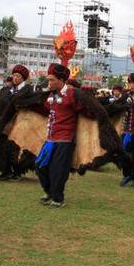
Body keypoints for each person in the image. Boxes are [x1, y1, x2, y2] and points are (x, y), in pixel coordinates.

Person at [36, 63, 93, 208]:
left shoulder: (72, 94)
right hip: (50, 138)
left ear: (61, 80)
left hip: (65, 139)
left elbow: (86, 110)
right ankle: (49, 191)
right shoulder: (50, 95)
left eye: (52, 80)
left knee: (58, 170)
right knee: (39, 165)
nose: (49, 83)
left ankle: (58, 198)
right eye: (48, 80)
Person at [0, 64, 33, 180]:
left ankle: (17, 172)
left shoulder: (27, 90)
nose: (15, 78)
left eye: (18, 76)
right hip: (6, 124)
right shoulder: (9, 90)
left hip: (20, 123)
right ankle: (6, 171)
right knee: (3, 147)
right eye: (14, 75)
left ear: (23, 78)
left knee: (15, 149)